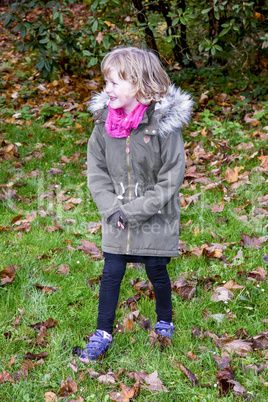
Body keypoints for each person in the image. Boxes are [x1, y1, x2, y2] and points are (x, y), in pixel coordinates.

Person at [80, 47, 193, 363]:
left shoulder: (163, 127)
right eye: (107, 82)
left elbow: (171, 177)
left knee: (157, 268)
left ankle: (164, 320)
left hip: (156, 216)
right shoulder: (103, 125)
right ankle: (102, 333)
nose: (108, 89)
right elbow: (96, 171)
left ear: (141, 85)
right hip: (116, 216)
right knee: (112, 271)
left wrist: (135, 210)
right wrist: (111, 208)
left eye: (115, 83)